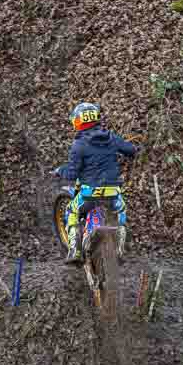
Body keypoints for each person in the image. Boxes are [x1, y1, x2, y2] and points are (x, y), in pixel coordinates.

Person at [55, 102, 137, 262]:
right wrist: (133, 148)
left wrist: (60, 171)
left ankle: (74, 251)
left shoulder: (78, 145)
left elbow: (72, 174)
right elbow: (131, 150)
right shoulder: (111, 138)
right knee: (121, 213)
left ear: (78, 121)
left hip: (89, 193)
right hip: (113, 192)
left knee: (71, 211)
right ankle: (120, 250)